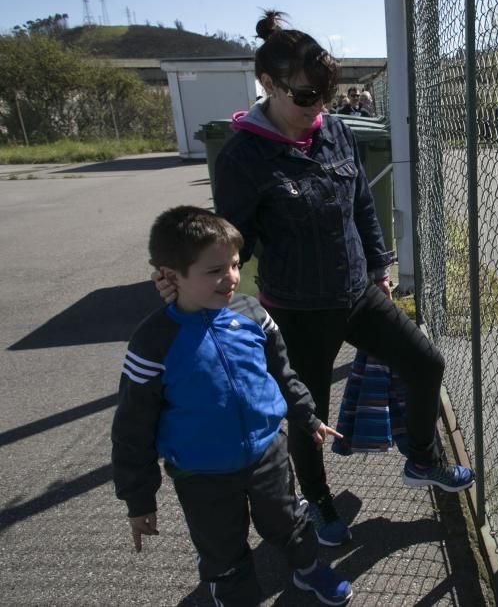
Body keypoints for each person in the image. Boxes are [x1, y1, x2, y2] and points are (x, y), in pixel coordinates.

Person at [157, 10, 474, 548]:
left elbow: (359, 207)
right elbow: (235, 240)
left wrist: (378, 266)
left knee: (426, 361)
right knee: (308, 414)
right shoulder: (244, 156)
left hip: (355, 292)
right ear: (269, 85)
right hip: (297, 309)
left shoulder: (336, 132)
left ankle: (421, 458)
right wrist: (192, 276)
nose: (318, 109)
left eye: (327, 96)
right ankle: (319, 502)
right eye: (306, 98)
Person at [113, 206, 353, 606]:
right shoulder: (152, 341)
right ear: (170, 276)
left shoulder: (253, 314)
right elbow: (132, 428)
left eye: (236, 265)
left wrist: (306, 414)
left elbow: (282, 372)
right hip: (201, 473)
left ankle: (309, 570)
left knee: (289, 521)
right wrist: (139, 499)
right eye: (214, 271)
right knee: (222, 549)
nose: (232, 278)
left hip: (267, 453)